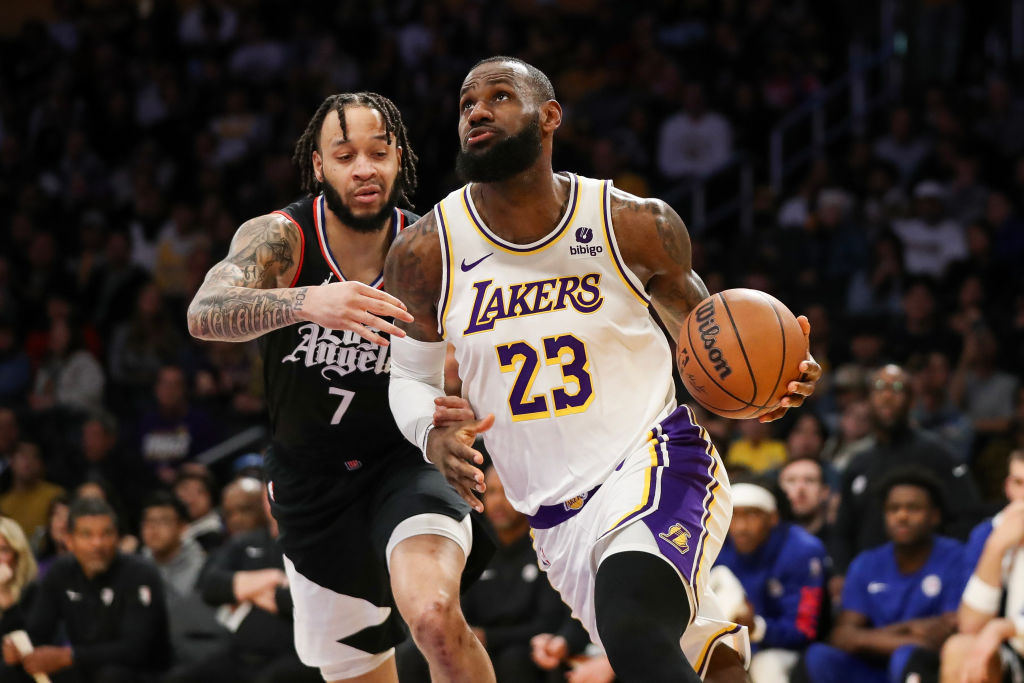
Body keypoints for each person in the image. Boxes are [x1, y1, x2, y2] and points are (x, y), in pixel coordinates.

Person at [383, 56, 821, 682]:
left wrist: (780, 380)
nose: (476, 111)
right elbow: (408, 380)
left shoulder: (631, 225)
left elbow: (714, 340)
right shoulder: (427, 251)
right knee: (706, 662)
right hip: (555, 519)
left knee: (634, 630)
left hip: (654, 461)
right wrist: (431, 429)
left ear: (549, 116)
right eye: (466, 103)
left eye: (500, 96)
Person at [187, 91, 495, 683]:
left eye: (378, 153)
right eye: (345, 154)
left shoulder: (430, 245)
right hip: (313, 480)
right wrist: (308, 300)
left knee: (433, 618)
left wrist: (454, 417)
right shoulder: (283, 239)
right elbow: (204, 312)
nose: (363, 169)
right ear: (319, 166)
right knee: (354, 668)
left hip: (407, 461)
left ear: (398, 158)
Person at [803, 468, 962, 683]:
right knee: (819, 657)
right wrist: (908, 629)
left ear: (934, 516)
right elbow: (842, 635)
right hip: (872, 668)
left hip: (927, 668)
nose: (902, 516)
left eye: (913, 508)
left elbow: (944, 635)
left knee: (907, 656)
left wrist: (867, 638)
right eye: (893, 509)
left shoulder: (955, 557)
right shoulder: (867, 562)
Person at [831, 364, 980, 576]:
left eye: (897, 388)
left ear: (912, 401)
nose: (887, 396)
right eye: (880, 388)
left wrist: (944, 569)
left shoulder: (939, 455)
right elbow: (842, 530)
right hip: (868, 582)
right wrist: (840, 573)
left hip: (926, 579)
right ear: (867, 400)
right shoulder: (858, 463)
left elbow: (967, 517)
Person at [2, 497, 172, 682]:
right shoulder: (61, 571)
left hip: (142, 673)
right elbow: (38, 632)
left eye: (106, 534)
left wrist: (68, 656)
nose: (97, 544)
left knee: (111, 675)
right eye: (86, 535)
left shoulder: (141, 573)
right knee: (9, 671)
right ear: (69, 540)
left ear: (117, 537)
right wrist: (19, 650)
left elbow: (136, 649)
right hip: (84, 667)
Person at [715, 483, 828, 682]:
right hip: (733, 644)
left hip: (789, 650)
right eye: (734, 515)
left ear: (773, 518)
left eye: (751, 515)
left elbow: (804, 631)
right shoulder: (717, 544)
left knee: (767, 667)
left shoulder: (802, 550)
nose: (740, 527)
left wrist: (755, 627)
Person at [939, 450, 1024, 683]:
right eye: (1019, 483)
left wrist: (1002, 628)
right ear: (1008, 486)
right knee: (961, 649)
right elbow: (970, 627)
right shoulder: (988, 532)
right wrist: (997, 547)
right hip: (1016, 656)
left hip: (1014, 634)